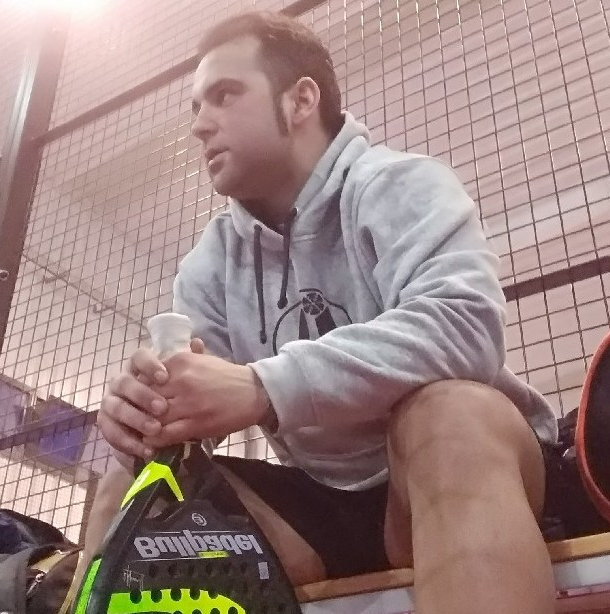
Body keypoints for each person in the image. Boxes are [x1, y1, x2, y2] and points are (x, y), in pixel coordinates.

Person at [90, 11, 559, 613]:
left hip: (449, 478)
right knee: (133, 484)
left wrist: (264, 386)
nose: (200, 124)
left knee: (451, 413)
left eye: (225, 95)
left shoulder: (399, 184)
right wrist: (144, 417)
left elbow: (466, 325)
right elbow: (187, 417)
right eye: (196, 107)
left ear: (300, 100)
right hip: (314, 519)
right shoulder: (208, 266)